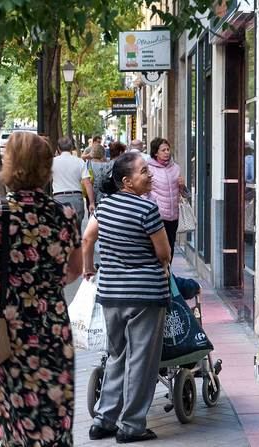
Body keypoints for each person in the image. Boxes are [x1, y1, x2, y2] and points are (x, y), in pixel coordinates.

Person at [0, 131, 82, 446]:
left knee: (9, 407)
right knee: (53, 408)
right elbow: (74, 270)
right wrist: (45, 286)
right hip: (52, 328)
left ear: (11, 165)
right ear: (46, 169)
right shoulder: (65, 214)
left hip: (9, 331)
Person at [82, 151, 171, 443]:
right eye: (144, 171)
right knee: (141, 361)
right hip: (145, 295)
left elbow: (87, 238)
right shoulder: (147, 210)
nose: (150, 174)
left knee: (116, 355)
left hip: (110, 293)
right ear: (127, 181)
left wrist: (88, 268)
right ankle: (131, 427)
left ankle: (104, 420)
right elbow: (163, 253)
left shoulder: (103, 208)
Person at [146, 137, 186, 260]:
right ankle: (159, 275)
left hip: (173, 216)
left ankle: (167, 275)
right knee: (158, 250)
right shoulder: (148, 169)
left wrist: (182, 186)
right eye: (163, 150)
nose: (167, 152)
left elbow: (184, 194)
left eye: (168, 149)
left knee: (170, 248)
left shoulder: (175, 168)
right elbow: (143, 192)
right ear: (155, 152)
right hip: (158, 216)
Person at [52, 136, 95, 226]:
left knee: (60, 229)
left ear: (58, 148)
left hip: (58, 199)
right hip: (76, 198)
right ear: (71, 147)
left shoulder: (52, 162)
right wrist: (91, 203)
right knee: (76, 229)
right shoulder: (79, 162)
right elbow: (87, 183)